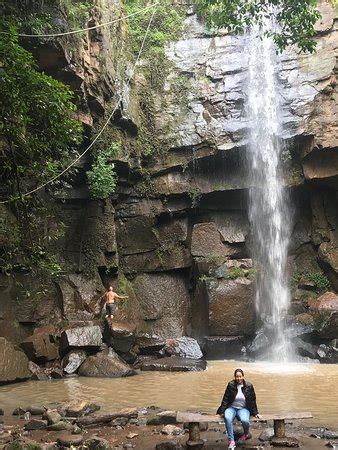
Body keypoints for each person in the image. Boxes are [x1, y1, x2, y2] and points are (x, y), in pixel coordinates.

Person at [217, 368, 260, 449]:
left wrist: (256, 413)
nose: (238, 378)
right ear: (234, 377)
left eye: (240, 376)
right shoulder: (231, 385)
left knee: (245, 420)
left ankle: (246, 434)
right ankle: (231, 441)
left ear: (243, 376)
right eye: (237, 376)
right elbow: (225, 399)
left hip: (243, 408)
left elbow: (252, 400)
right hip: (232, 408)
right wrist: (222, 411)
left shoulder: (249, 386)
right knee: (228, 418)